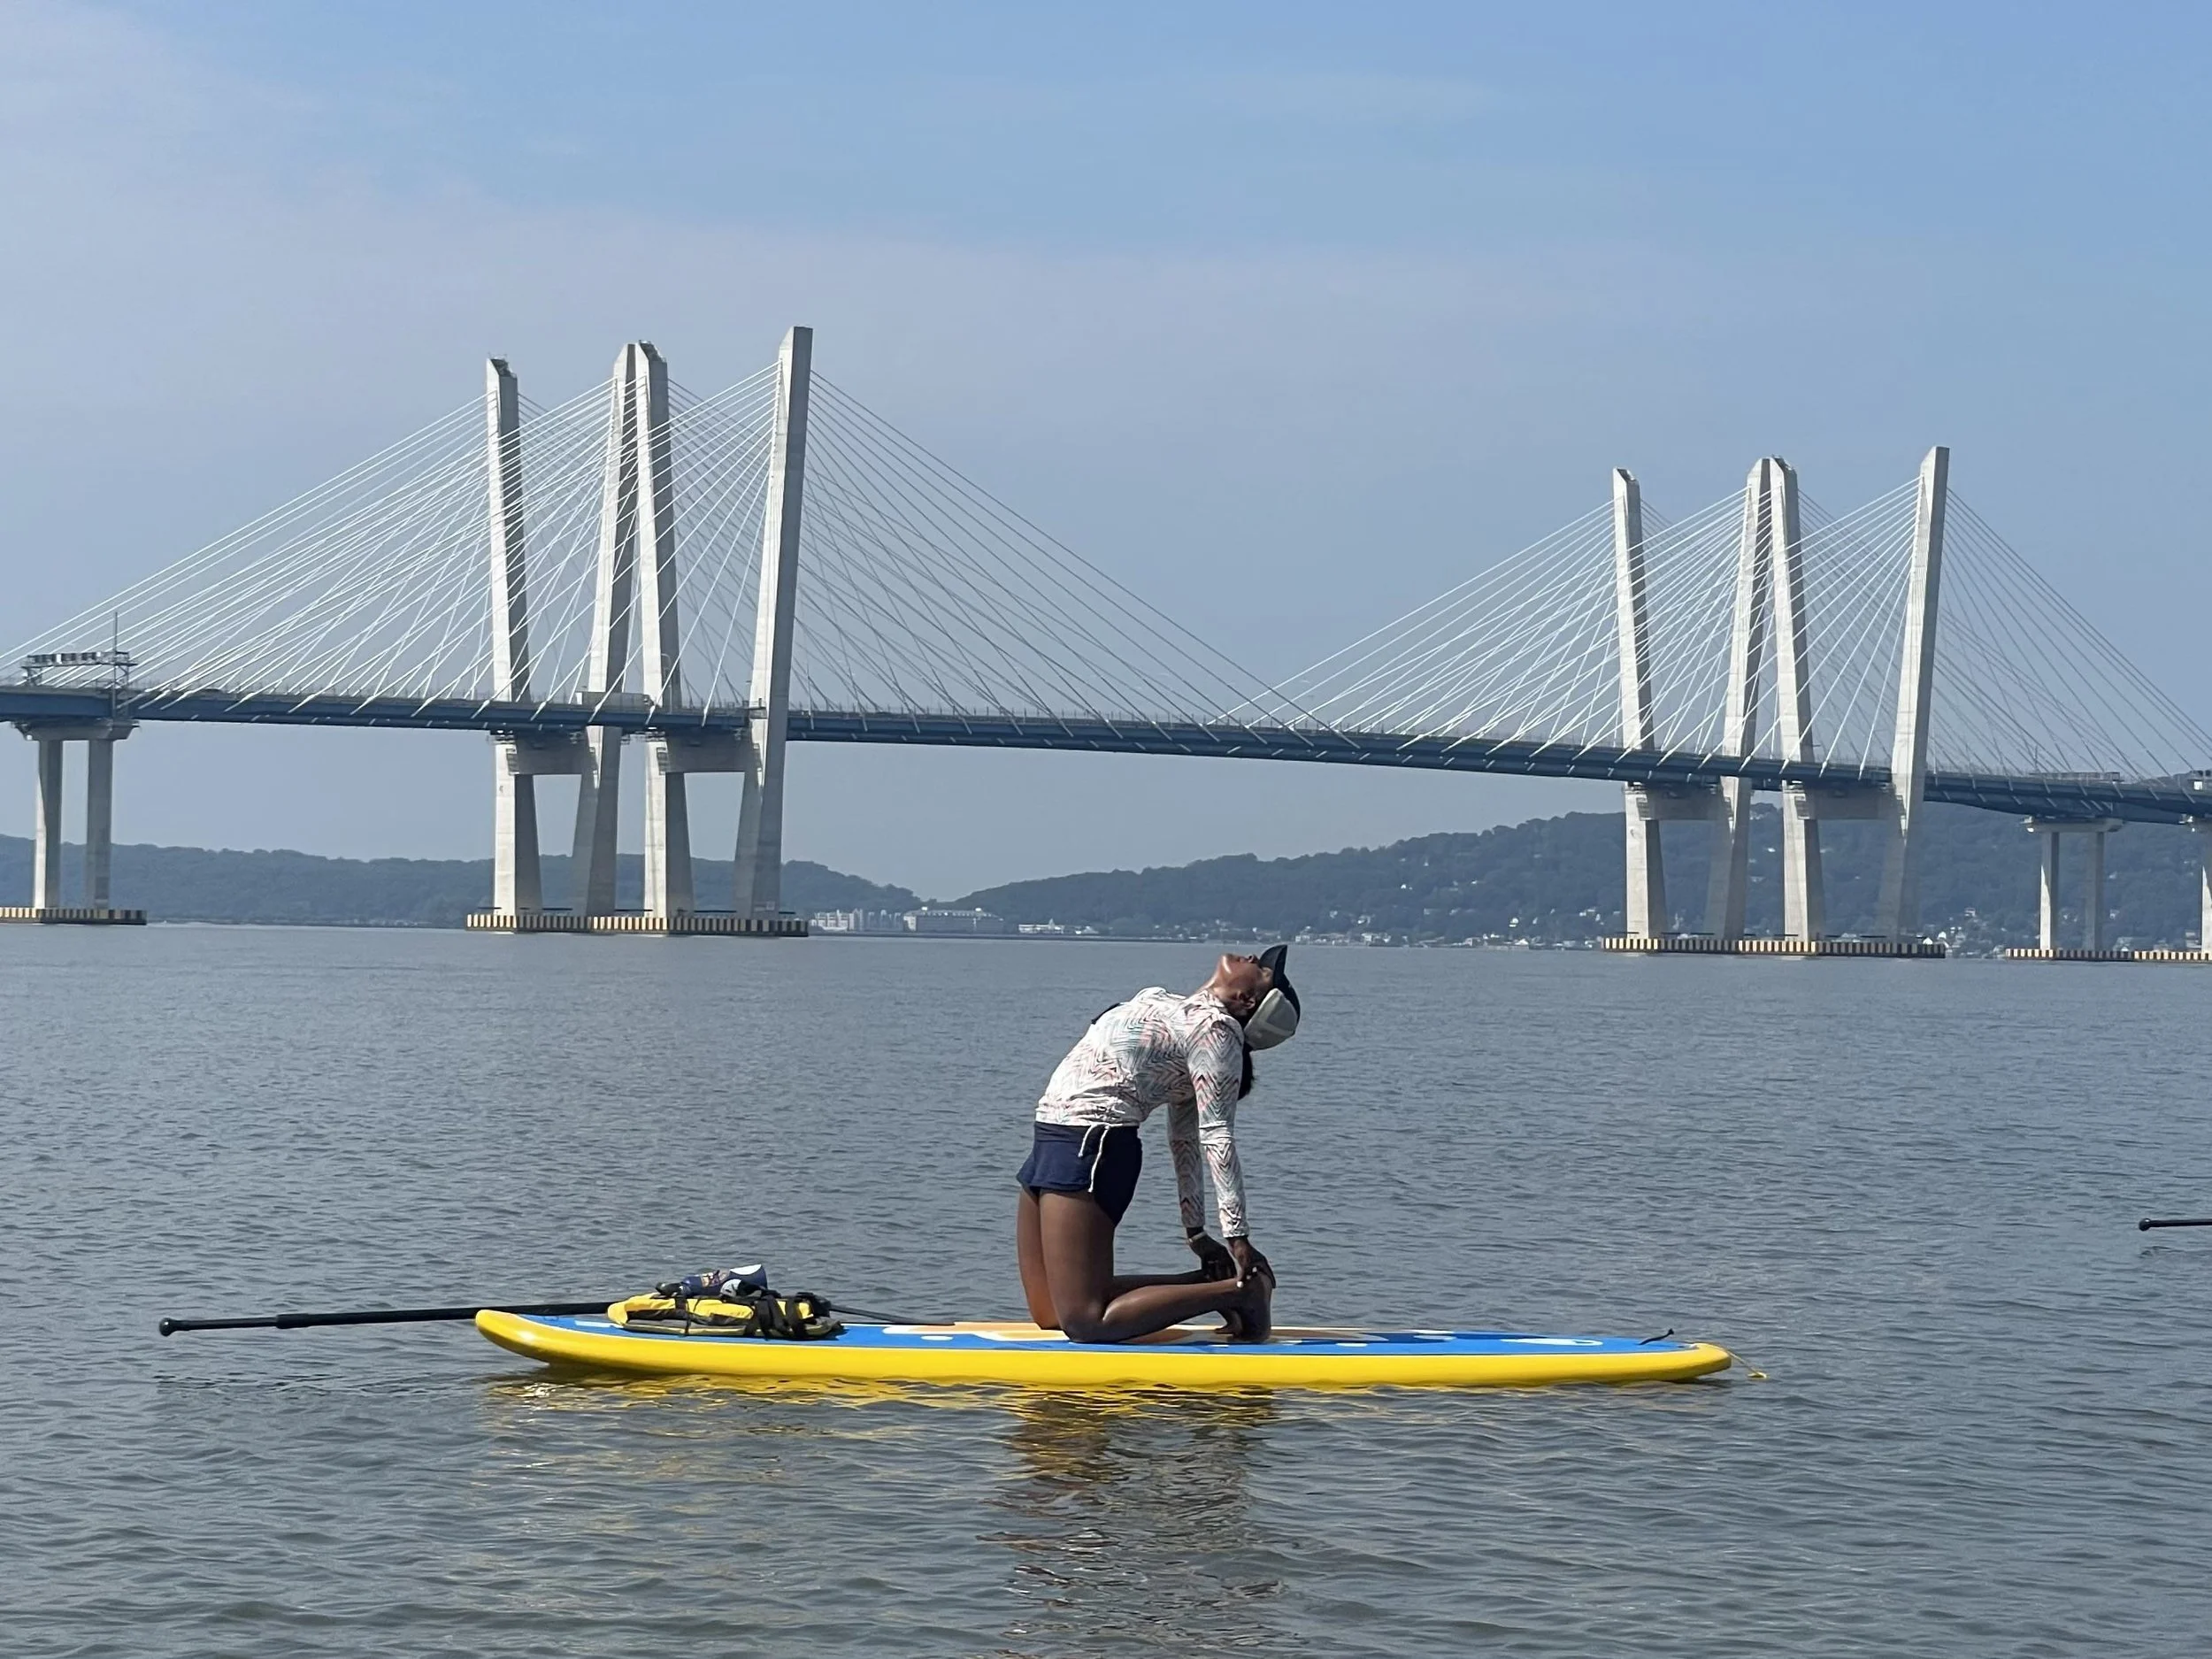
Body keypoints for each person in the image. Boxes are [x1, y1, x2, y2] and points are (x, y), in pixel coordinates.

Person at [1015, 945, 1301, 1344]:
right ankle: (1208, 1283)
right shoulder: (1165, 1002)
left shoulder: (1217, 1031)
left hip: (1093, 1143)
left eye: (1264, 971)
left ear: (1248, 1000)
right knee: (1050, 1312)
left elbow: (1214, 1134)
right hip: (1051, 1136)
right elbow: (1180, 1140)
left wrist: (1237, 1235)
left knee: (1084, 1322)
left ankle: (1246, 1291)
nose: (1254, 957)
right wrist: (1197, 1235)